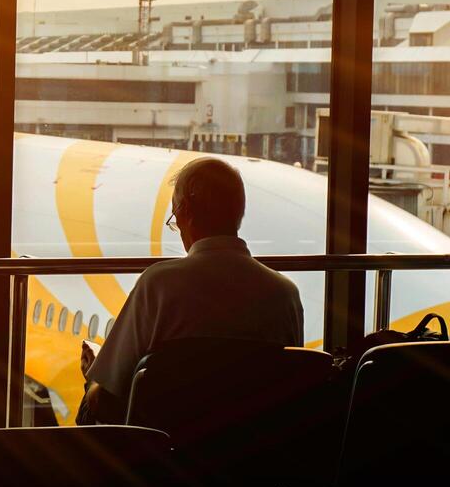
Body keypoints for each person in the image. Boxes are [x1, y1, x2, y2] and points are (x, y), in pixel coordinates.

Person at [77, 156, 304, 425]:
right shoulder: (284, 294)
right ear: (238, 213)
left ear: (184, 212)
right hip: (252, 458)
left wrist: (92, 377)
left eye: (174, 216)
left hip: (167, 456)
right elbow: (291, 395)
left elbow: (107, 403)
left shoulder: (159, 286)